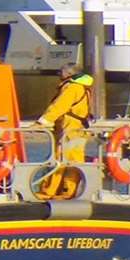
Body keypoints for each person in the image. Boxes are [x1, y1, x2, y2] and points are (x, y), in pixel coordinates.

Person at [34, 62, 94, 199]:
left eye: (61, 71)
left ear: (69, 73)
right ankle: (58, 190)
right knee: (65, 159)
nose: (59, 74)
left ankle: (62, 191)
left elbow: (60, 106)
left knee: (67, 159)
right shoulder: (79, 87)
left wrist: (42, 121)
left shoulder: (73, 88)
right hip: (72, 128)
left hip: (71, 128)